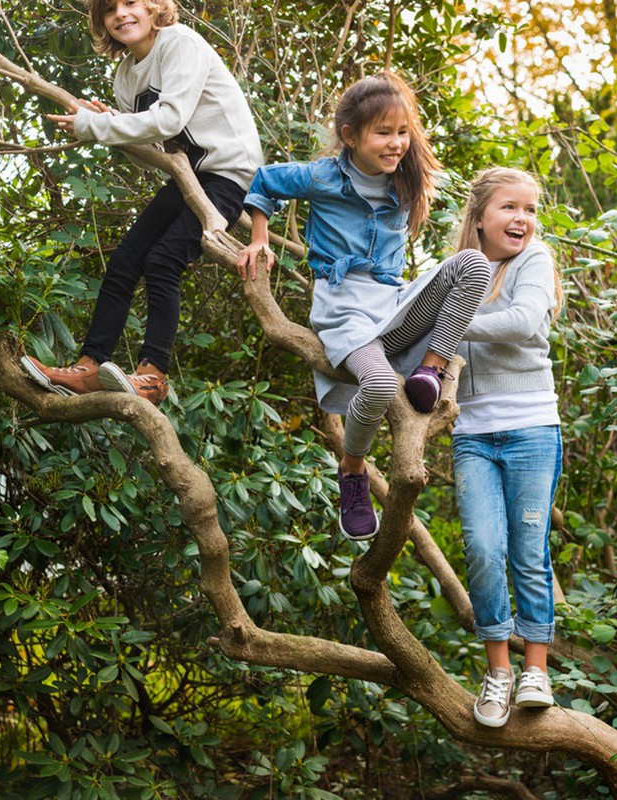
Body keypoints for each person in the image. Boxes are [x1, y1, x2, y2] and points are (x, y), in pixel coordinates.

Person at [236, 71, 491, 541]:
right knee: (375, 386)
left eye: (402, 132)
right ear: (350, 136)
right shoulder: (324, 176)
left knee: (473, 265)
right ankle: (352, 470)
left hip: (394, 303)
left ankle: (429, 371)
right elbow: (264, 181)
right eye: (383, 133)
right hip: (344, 311)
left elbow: (473, 212)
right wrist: (258, 240)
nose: (396, 144)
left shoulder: (405, 180)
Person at [21, 0, 263, 406]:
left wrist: (99, 125)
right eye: (110, 9)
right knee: (125, 260)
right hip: (187, 174)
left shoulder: (179, 43)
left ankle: (153, 375)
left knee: (162, 260)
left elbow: (168, 120)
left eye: (131, 2)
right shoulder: (124, 76)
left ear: (155, 8)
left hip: (229, 172)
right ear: (102, 23)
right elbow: (149, 151)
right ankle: (89, 365)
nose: (121, 14)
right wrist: (108, 124)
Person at [451, 167, 564, 727]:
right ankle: (497, 673)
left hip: (532, 430)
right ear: (479, 217)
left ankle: (535, 672)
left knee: (527, 549)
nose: (523, 219)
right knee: (481, 546)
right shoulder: (457, 273)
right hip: (473, 434)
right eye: (509, 208)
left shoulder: (533, 262)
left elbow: (522, 323)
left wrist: (447, 318)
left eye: (530, 209)